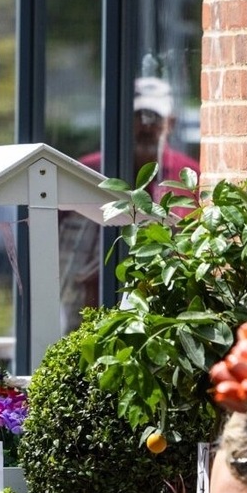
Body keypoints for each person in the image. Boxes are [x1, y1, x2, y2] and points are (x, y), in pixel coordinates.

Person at [59, 76, 201, 331]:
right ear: (119, 120)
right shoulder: (86, 173)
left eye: (153, 117)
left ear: (170, 123)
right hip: (81, 311)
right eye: (138, 116)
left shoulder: (189, 176)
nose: (145, 126)